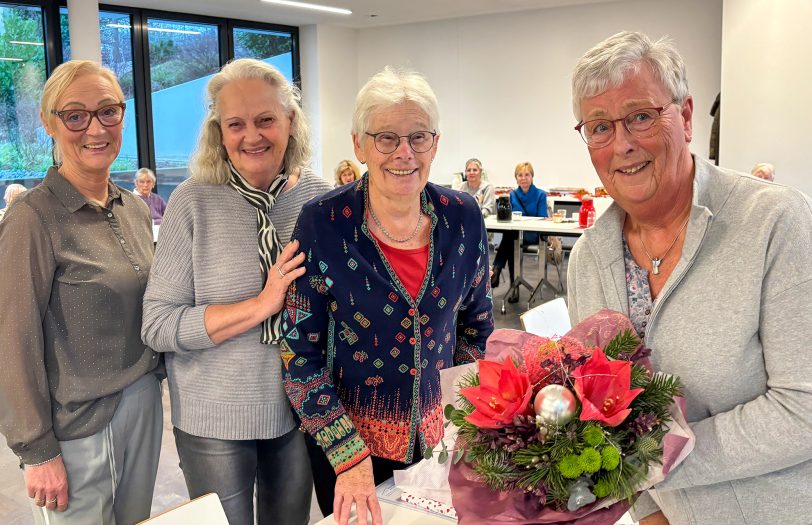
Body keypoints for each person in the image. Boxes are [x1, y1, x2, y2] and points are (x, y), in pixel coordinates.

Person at [568, 31, 812, 525]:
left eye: (640, 116)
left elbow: (803, 410)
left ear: (684, 116)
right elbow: (606, 419)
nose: (623, 145)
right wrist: (648, 512)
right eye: (599, 127)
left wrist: (648, 465)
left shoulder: (774, 221)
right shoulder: (589, 260)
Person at [280, 66, 494, 525]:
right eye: (386, 138)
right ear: (359, 145)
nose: (404, 153)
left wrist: (460, 418)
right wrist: (348, 455)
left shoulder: (463, 218)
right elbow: (299, 354)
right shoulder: (323, 223)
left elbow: (477, 326)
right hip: (347, 450)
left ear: (436, 144)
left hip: (441, 442)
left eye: (419, 137)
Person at [141, 58, 331, 525]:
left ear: (290, 120)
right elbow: (158, 324)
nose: (253, 136)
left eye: (266, 119)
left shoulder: (320, 200)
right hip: (213, 420)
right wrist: (260, 306)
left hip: (300, 411)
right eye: (236, 124)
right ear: (218, 131)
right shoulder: (192, 200)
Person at [0, 60, 162, 524]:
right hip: (79, 425)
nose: (95, 128)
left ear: (123, 115)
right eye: (75, 115)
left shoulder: (130, 206)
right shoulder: (33, 217)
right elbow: (12, 341)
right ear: (49, 123)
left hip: (142, 403)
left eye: (107, 111)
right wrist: (35, 449)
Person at [490, 161, 548, 303]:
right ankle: (513, 287)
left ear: (532, 177)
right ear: (516, 178)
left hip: (533, 234)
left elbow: (542, 218)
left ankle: (497, 269)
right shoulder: (512, 195)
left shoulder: (541, 195)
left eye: (527, 175)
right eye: (520, 175)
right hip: (516, 234)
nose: (523, 178)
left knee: (510, 237)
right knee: (512, 240)